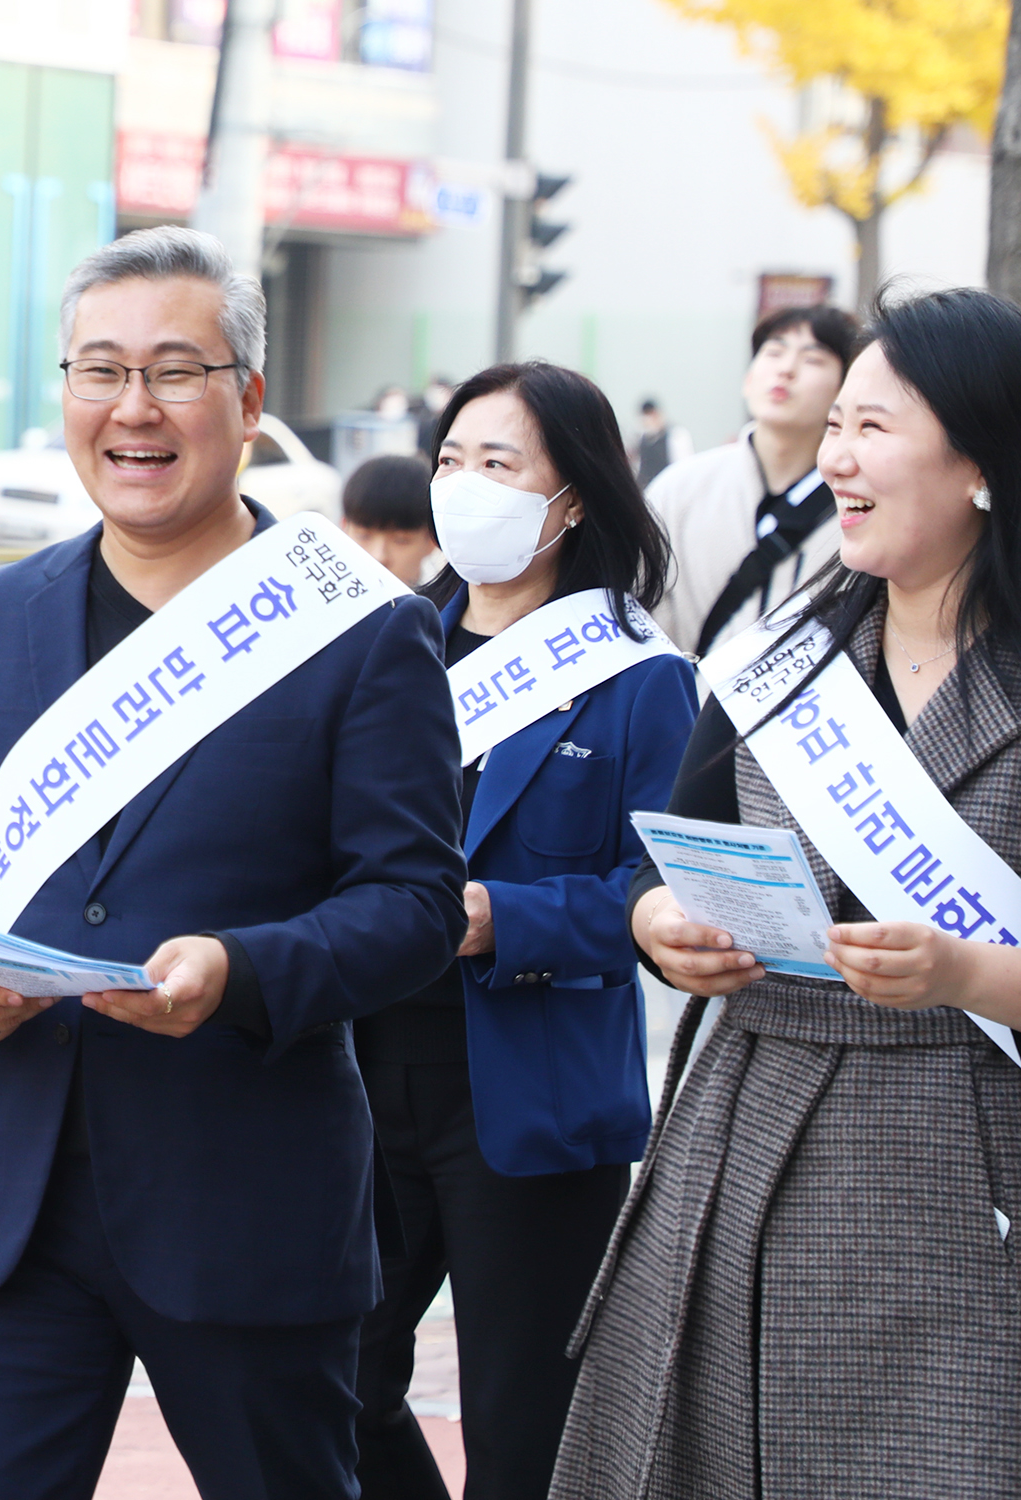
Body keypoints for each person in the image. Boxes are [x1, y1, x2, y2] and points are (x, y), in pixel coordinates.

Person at [556, 287, 1021, 1499]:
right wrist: (662, 926)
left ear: (984, 465)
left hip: (994, 1184)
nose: (836, 458)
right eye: (837, 426)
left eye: (874, 428)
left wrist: (968, 974)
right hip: (743, 1152)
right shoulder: (775, 665)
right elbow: (668, 861)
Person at [0, 225, 467, 1500]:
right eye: (101, 372)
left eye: (175, 371)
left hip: (246, 1200)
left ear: (248, 402)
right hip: (9, 1203)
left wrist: (239, 972)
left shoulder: (362, 634)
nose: (133, 409)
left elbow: (413, 907)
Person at [352, 361, 697, 1500]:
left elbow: (657, 897)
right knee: (327, 1375)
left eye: (497, 464)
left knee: (527, 1426)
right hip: (356, 1068)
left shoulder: (640, 679)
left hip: (530, 1091)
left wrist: (509, 916)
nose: (463, 484)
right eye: (452, 459)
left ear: (576, 497)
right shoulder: (384, 642)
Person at [647, 304, 863, 656]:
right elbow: (642, 607)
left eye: (812, 359)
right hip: (686, 705)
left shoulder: (857, 505)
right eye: (774, 352)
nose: (786, 369)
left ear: (845, 390)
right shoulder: (679, 490)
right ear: (748, 379)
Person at [342, 452, 443, 586]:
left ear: (432, 540)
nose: (379, 556)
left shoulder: (448, 604)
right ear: (343, 528)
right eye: (363, 536)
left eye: (400, 540)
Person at [627, 398, 692, 489]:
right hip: (646, 489)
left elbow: (683, 464)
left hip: (668, 486)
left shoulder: (676, 435)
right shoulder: (639, 437)